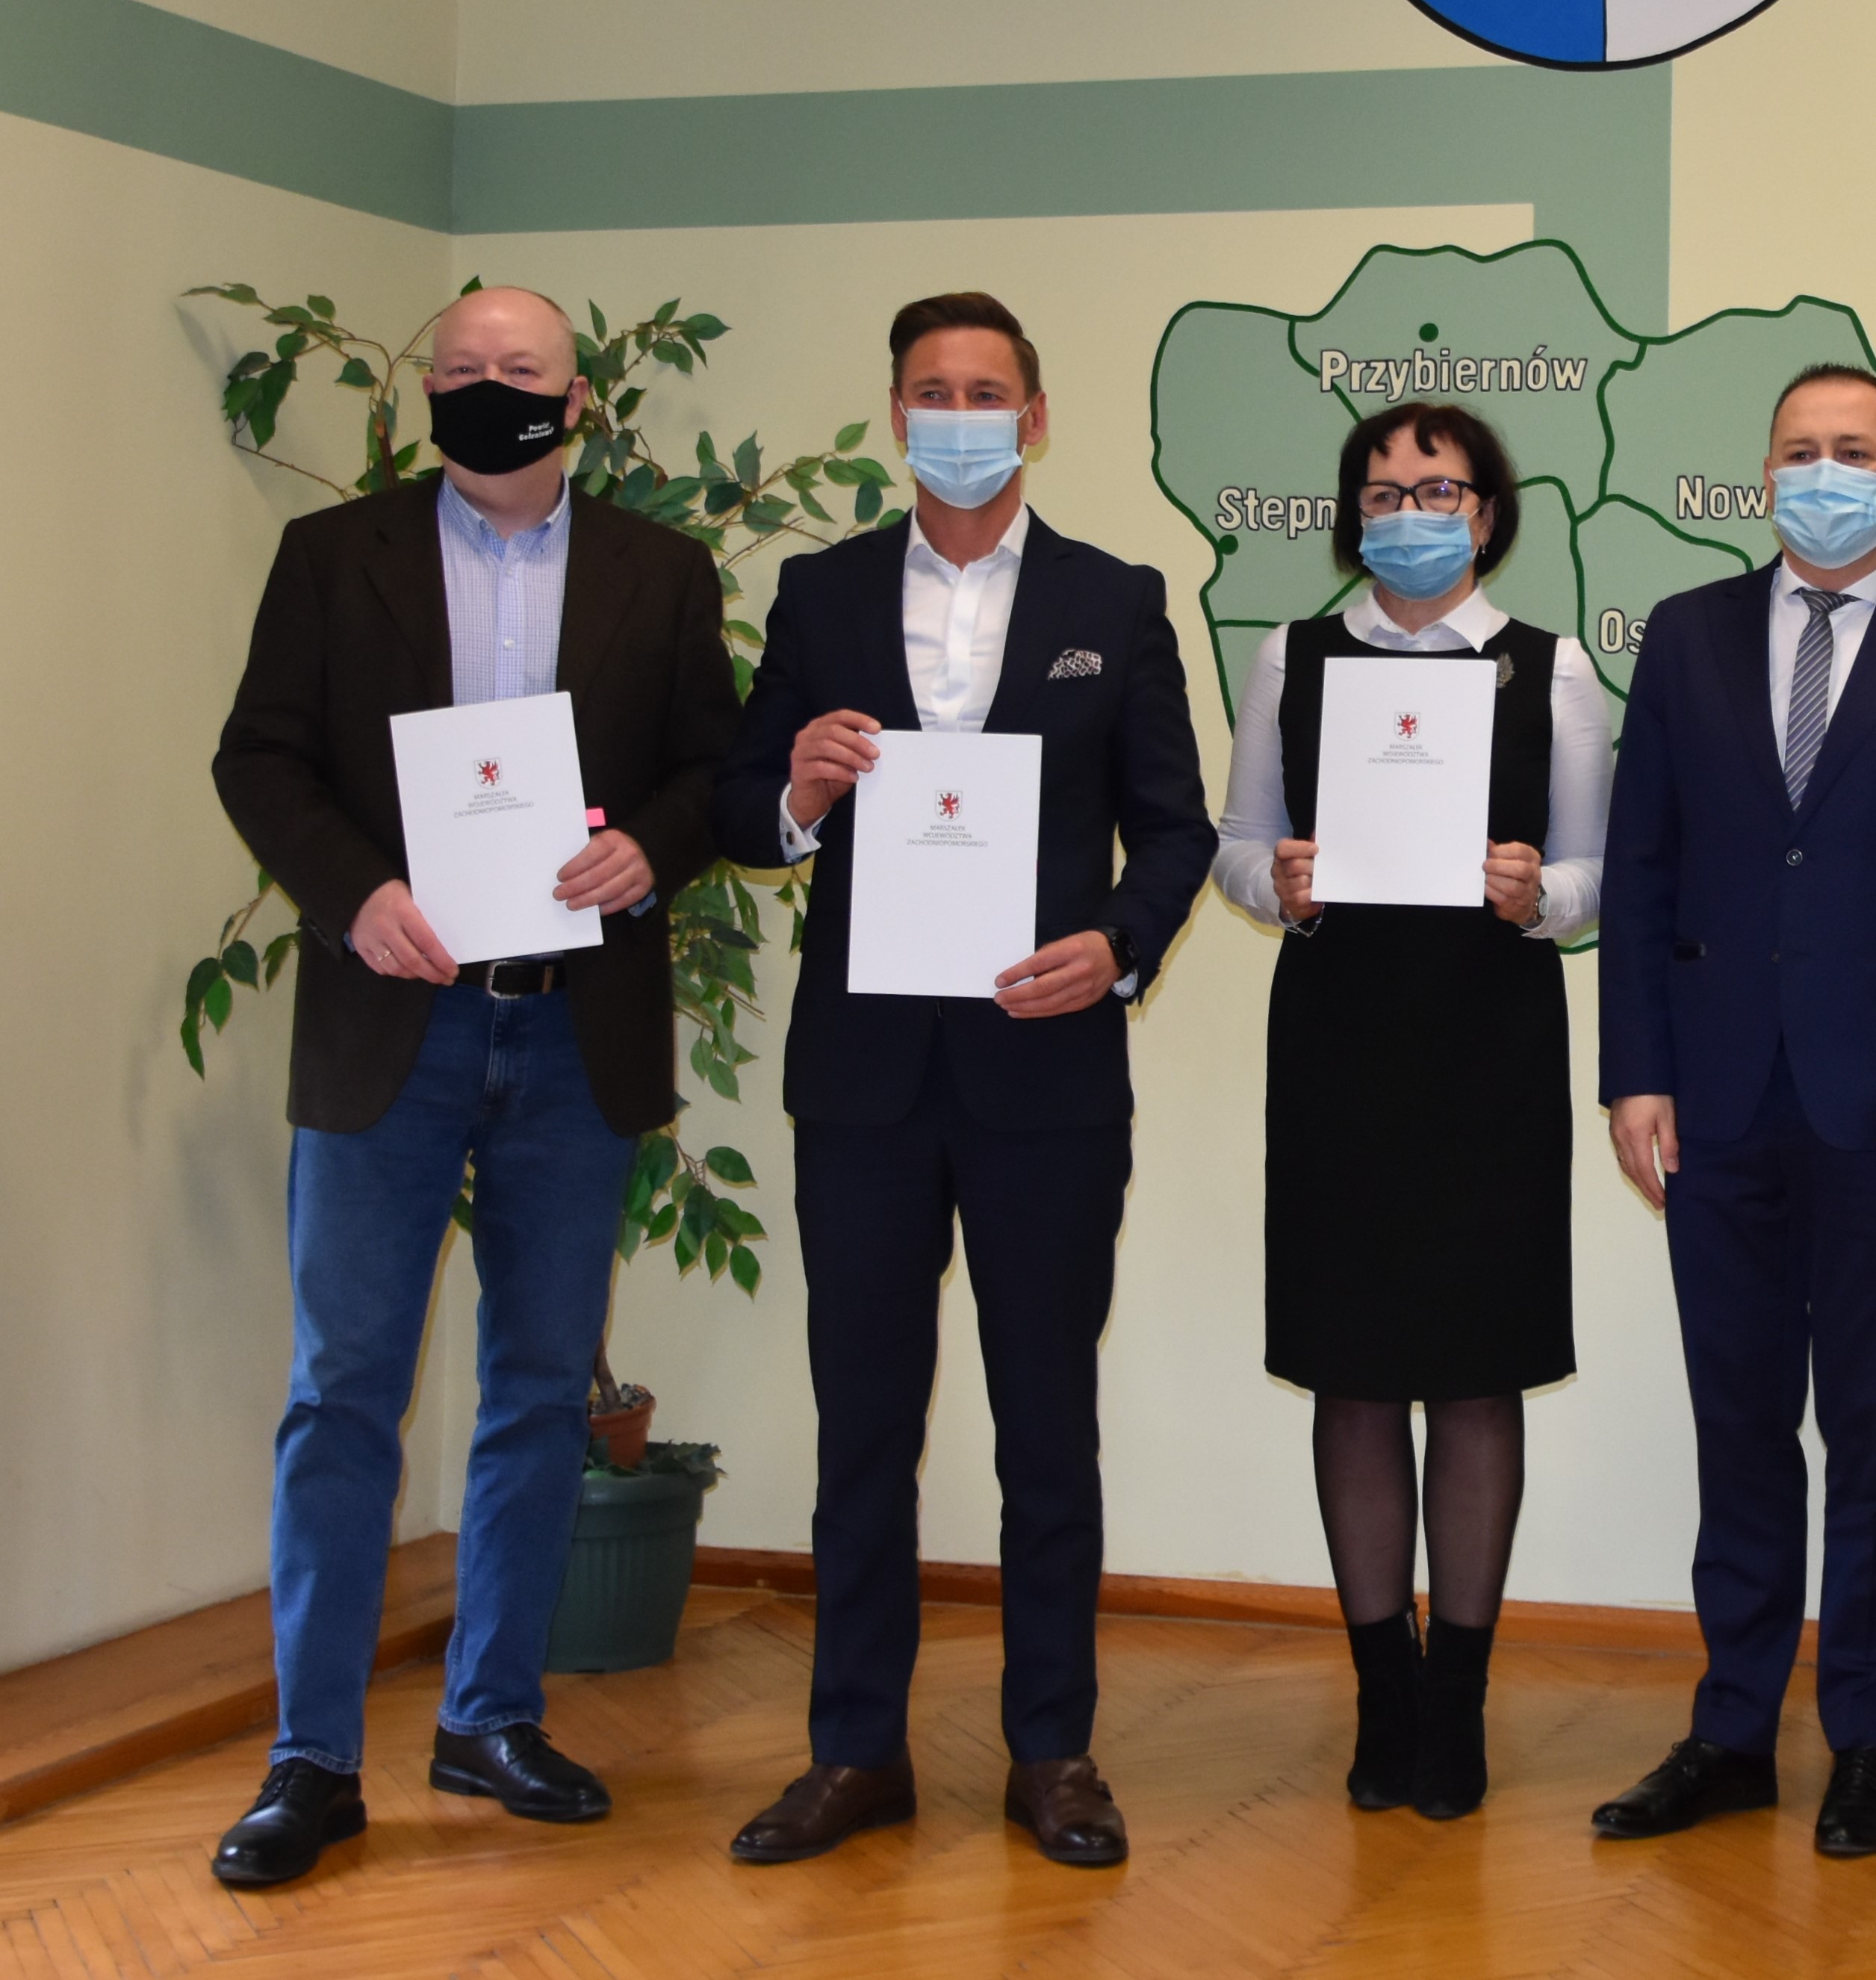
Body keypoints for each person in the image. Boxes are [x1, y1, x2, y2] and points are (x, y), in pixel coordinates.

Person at [205, 284, 741, 1889]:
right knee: (342, 1392)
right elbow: (258, 756)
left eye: (520, 368)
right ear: (425, 392)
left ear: (578, 401)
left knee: (537, 1390)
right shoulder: (333, 555)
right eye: (459, 368)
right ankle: (311, 1758)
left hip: (576, 1033)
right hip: (394, 1019)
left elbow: (712, 769)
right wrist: (354, 891)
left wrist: (654, 848)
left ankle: (489, 1715)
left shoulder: (662, 569)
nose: (487, 385)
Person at [715, 293, 1214, 1872]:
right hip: (861, 1082)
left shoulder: (1115, 597)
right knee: (862, 1426)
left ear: (1035, 417)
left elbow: (1177, 826)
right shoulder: (818, 591)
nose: (958, 413)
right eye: (931, 390)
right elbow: (743, 802)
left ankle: (1052, 1750)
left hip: (1044, 1076)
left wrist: (1116, 944)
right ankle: (853, 1748)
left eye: (986, 390)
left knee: (1045, 1427)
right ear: (895, 414)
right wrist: (795, 793)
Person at [1591, 364, 1876, 1860]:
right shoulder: (1687, 636)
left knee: (1870, 1430)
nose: (1824, 471)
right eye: (1799, 449)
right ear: (1765, 474)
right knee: (1737, 1427)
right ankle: (1732, 1729)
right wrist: (1634, 1069)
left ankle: (1864, 1738)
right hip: (1715, 1102)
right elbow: (1642, 867)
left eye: (1853, 450)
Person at [1207, 401, 1611, 1822]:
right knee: (1357, 1371)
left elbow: (1598, 872)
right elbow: (1236, 846)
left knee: (1478, 1373)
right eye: (1383, 492)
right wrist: (1282, 886)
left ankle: (1459, 1702)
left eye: (1438, 490)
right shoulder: (1294, 654)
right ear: (1352, 513)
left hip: (1491, 1049)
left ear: (1486, 512)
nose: (1410, 512)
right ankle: (1384, 1691)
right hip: (1342, 1045)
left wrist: (1537, 893)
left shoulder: (1552, 668)